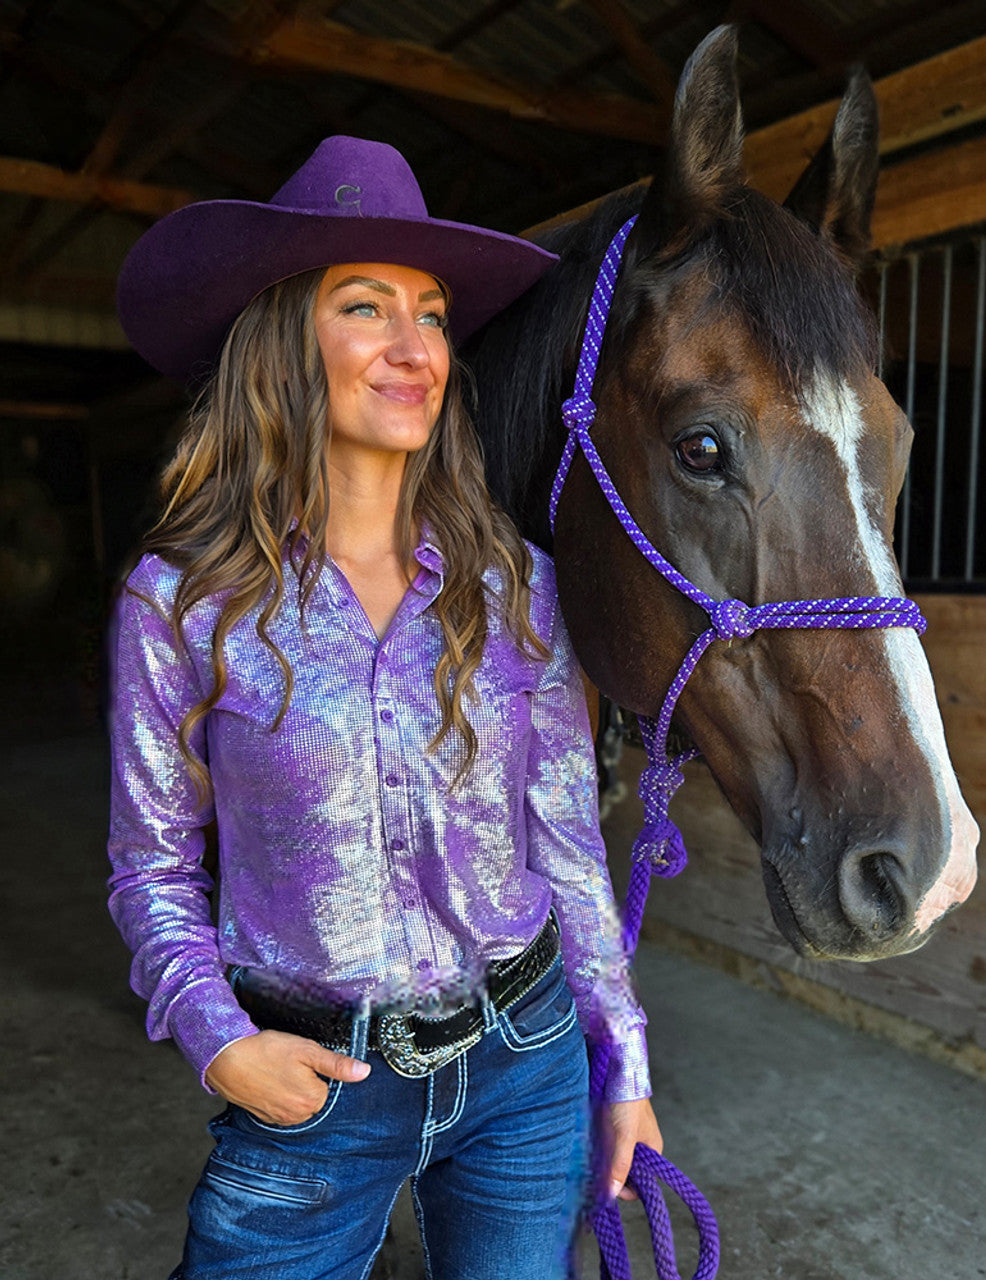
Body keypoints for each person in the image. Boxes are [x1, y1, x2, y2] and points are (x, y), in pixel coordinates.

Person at [107, 135, 661, 1280]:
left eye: (433, 314)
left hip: (523, 1063)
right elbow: (151, 864)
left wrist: (624, 1066)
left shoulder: (516, 586)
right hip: (308, 1087)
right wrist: (219, 1042)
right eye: (366, 306)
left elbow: (565, 842)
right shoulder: (182, 603)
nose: (416, 348)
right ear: (283, 342)